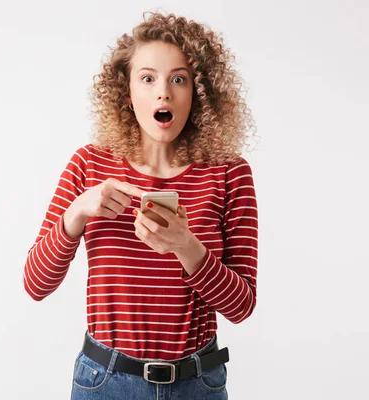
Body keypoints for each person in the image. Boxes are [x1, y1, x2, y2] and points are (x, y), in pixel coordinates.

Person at [23, 11, 258, 400]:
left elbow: (241, 306)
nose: (163, 92)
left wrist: (187, 246)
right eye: (148, 78)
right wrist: (76, 213)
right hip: (104, 382)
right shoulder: (89, 165)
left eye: (178, 79)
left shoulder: (229, 174)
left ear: (199, 92)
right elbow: (35, 284)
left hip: (197, 384)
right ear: (127, 91)